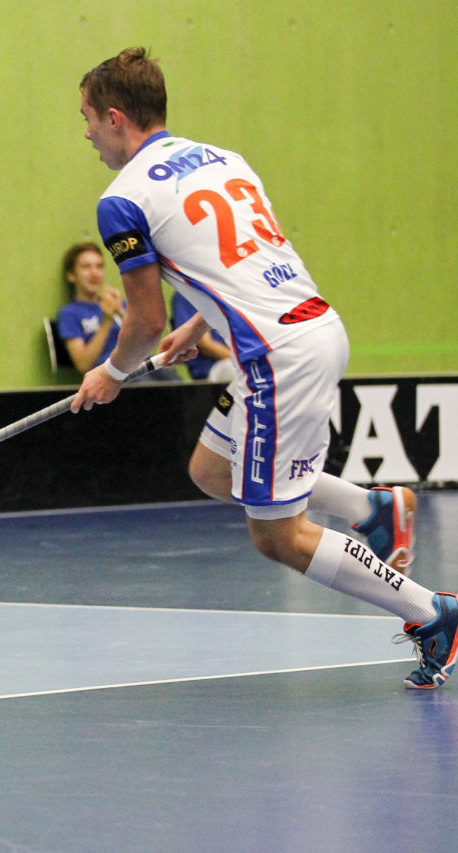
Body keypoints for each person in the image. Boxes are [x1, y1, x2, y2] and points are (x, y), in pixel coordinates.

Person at [70, 48, 453, 689]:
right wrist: (203, 325)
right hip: (307, 330)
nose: (85, 132)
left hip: (278, 359)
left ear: (115, 117)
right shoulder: (225, 160)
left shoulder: (121, 200)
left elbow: (143, 324)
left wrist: (109, 373)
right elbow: (242, 261)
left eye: (86, 118)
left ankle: (432, 612)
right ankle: (376, 510)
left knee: (277, 536)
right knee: (213, 472)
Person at [56, 240, 180, 380]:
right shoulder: (70, 313)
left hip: (140, 364)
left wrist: (121, 313)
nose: (94, 273)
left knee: (175, 382)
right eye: (86, 267)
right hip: (110, 374)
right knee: (144, 384)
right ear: (71, 275)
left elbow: (146, 344)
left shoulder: (117, 305)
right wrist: (107, 321)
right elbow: (83, 364)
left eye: (99, 266)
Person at [170, 291, 234, 382]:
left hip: (238, 363)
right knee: (234, 369)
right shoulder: (187, 294)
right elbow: (206, 346)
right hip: (213, 369)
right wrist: (245, 361)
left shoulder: (229, 294)